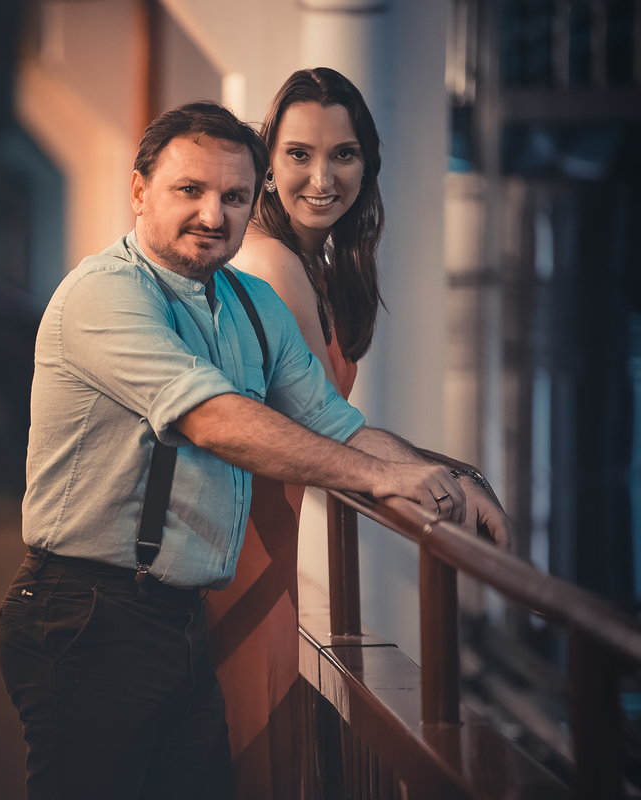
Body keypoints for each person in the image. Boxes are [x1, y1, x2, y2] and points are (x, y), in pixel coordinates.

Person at [0, 100, 508, 800]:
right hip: (87, 614)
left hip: (179, 620)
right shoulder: (103, 296)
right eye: (190, 191)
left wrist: (435, 473)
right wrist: (379, 478)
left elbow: (334, 421)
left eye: (234, 197)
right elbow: (213, 419)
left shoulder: (248, 304)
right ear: (140, 192)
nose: (214, 214)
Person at [202, 67, 510, 799]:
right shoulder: (272, 266)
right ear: (268, 164)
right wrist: (449, 476)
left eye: (343, 154)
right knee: (248, 763)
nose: (321, 176)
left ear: (367, 164)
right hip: (239, 553)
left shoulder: (315, 262)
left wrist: (452, 470)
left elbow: (335, 424)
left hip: (266, 547)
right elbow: (329, 432)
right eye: (299, 154)